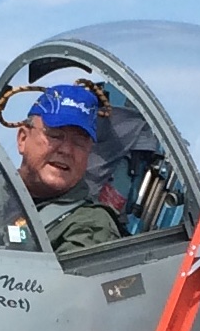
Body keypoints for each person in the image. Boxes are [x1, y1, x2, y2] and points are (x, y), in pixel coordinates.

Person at [7, 81, 127, 257]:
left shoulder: (90, 224)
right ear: (23, 138)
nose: (67, 150)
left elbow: (67, 283)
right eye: (55, 135)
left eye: (79, 142)